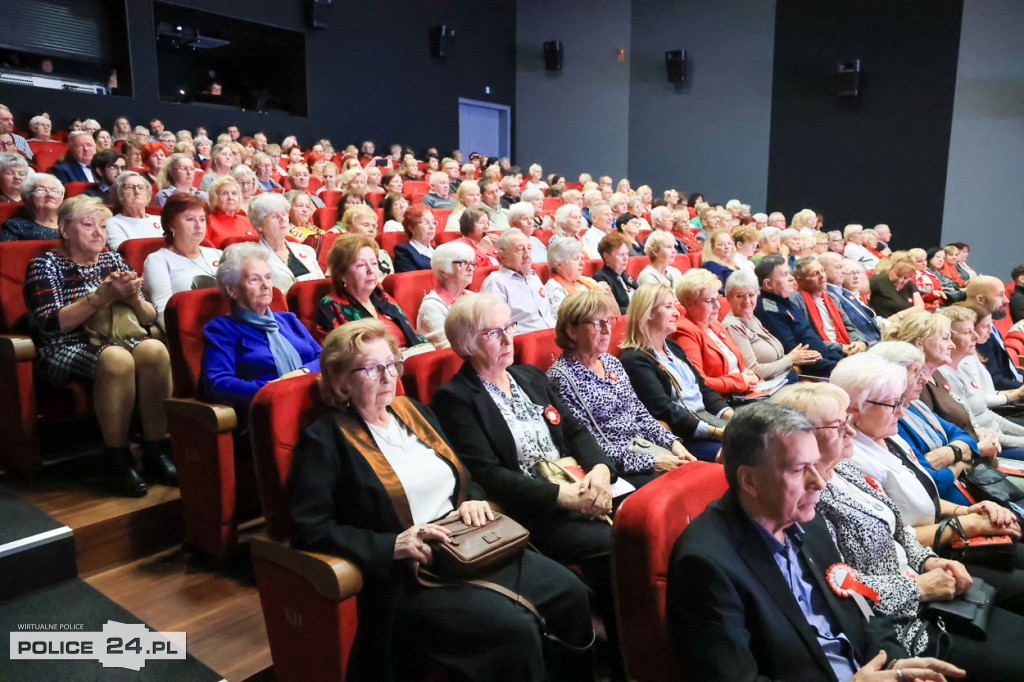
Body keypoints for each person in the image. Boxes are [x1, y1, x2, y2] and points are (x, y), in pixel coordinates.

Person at [290, 319, 593, 681]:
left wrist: (472, 499)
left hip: (469, 545)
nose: (388, 376)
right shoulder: (324, 440)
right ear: (341, 380)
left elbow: (462, 473)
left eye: (391, 364)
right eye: (372, 369)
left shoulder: (413, 412)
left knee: (571, 592)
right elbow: (309, 528)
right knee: (513, 629)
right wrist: (393, 544)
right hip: (416, 573)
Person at [666, 402, 957, 682]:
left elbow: (861, 608)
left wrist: (895, 663)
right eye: (798, 470)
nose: (818, 482)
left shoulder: (807, 519)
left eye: (815, 465)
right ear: (749, 481)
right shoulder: (704, 565)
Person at [772, 383, 1024, 676]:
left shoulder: (844, 469)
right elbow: (842, 588)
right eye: (838, 427)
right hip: (901, 626)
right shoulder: (807, 502)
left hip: (929, 584)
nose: (851, 431)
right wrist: (920, 587)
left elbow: (899, 529)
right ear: (804, 438)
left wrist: (929, 561)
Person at [433, 294, 618, 647]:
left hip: (580, 485)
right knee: (618, 543)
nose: (507, 340)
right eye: (492, 333)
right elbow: (487, 474)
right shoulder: (456, 397)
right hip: (536, 510)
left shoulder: (529, 376)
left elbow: (576, 431)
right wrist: (562, 498)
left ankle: (633, 631)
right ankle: (622, 642)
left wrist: (599, 470)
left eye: (509, 328)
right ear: (468, 343)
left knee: (644, 521)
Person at [24, 195, 174, 497]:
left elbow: (146, 317)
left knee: (155, 350)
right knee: (117, 359)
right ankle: (116, 458)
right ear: (65, 229)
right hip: (65, 345)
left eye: (103, 226)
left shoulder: (111, 259)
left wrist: (132, 298)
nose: (98, 232)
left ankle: (155, 450)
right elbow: (52, 325)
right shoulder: (44, 263)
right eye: (88, 224)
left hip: (118, 336)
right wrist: (100, 297)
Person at [546, 291, 694, 487]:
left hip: (645, 448)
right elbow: (588, 444)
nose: (607, 330)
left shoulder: (611, 362)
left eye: (609, 321)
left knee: (694, 473)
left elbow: (640, 413)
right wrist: (652, 462)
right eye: (597, 324)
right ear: (571, 331)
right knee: (677, 491)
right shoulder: (561, 378)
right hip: (615, 468)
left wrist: (673, 443)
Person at [201, 242, 319, 420]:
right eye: (254, 279)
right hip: (266, 416)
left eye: (268, 277)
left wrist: (301, 374)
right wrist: (273, 390)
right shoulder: (221, 329)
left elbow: (325, 358)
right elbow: (219, 383)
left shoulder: (288, 320)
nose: (266, 285)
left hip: (314, 403)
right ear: (232, 290)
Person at [619, 283, 732, 461]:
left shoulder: (672, 346)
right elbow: (665, 410)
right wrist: (717, 432)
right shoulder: (634, 359)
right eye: (668, 306)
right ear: (647, 313)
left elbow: (702, 389)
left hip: (707, 420)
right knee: (744, 452)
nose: (677, 313)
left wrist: (733, 418)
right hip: (685, 434)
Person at [938, 304, 1024, 456]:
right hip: (988, 446)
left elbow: (988, 416)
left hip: (998, 436)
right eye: (967, 332)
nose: (975, 337)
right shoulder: (946, 375)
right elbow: (976, 430)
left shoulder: (962, 365)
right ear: (948, 338)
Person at [317, 233, 426, 349]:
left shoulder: (383, 297)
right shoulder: (331, 305)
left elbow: (414, 336)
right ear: (342, 274)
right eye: (361, 265)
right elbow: (339, 356)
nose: (371, 270)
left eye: (374, 263)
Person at [722, 268, 821, 383]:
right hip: (769, 388)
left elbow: (776, 359)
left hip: (785, 378)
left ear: (757, 294)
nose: (747, 301)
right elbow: (754, 370)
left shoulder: (751, 317)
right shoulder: (733, 326)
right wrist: (789, 359)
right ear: (728, 298)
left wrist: (797, 357)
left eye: (751, 295)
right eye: (740, 296)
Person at [674, 268, 761, 396]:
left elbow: (737, 363)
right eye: (710, 301)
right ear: (689, 303)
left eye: (717, 298)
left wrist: (750, 376)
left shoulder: (714, 324)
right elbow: (699, 382)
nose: (718, 306)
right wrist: (740, 381)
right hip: (721, 401)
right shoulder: (684, 331)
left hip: (742, 393)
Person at [143, 192, 222, 329]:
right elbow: (164, 312)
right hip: (191, 331)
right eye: (190, 219)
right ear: (172, 225)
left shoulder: (217, 254)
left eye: (202, 219)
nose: (198, 225)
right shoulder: (158, 260)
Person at [754, 255, 843, 376]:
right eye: (785, 275)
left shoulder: (784, 300)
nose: (791, 278)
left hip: (828, 361)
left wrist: (842, 361)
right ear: (768, 284)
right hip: (818, 372)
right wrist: (838, 367)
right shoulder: (769, 311)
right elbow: (797, 355)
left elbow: (812, 340)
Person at [790, 256, 869, 356]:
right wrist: (840, 347)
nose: (822, 275)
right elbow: (805, 339)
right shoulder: (795, 300)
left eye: (822, 270)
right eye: (815, 273)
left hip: (846, 348)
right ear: (800, 280)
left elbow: (850, 327)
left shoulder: (832, 298)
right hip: (823, 353)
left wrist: (860, 342)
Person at [480, 230, 554, 333]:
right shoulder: (496, 282)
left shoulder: (533, 276)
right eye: (520, 249)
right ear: (502, 256)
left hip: (554, 337)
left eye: (529, 248)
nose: (527, 254)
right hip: (525, 343)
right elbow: (495, 326)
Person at [249, 192, 322, 293]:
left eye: (284, 214)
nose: (283, 219)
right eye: (275, 216)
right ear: (259, 225)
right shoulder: (253, 258)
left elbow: (322, 285)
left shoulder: (307, 251)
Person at [966, 275, 1024, 390]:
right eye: (1000, 295)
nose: (1006, 300)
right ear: (980, 300)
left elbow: (1005, 371)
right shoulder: (977, 333)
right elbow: (996, 382)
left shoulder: (991, 326)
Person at [416, 242, 476, 349]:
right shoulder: (431, 306)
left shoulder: (473, 297)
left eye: (472, 263)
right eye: (463, 263)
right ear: (443, 271)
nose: (471, 268)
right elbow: (447, 347)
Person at [103, 171, 163, 250]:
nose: (137, 191)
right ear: (119, 194)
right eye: (130, 187)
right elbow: (124, 253)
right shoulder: (113, 223)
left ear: (147, 195)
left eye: (141, 187)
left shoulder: (160, 220)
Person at [0, 173, 62, 241]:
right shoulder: (15, 227)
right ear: (27, 198)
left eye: (55, 191)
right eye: (41, 190)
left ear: (62, 199)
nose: (50, 195)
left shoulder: (72, 223)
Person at [339, 204, 393, 280]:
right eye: (365, 225)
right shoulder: (341, 254)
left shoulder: (383, 254)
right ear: (349, 229)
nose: (371, 230)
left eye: (373, 226)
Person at [592, 232, 638, 315]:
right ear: (606, 256)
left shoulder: (627, 277)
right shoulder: (601, 278)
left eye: (627, 254)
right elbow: (611, 310)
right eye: (621, 255)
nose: (625, 259)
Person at [204, 176, 256, 248]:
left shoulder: (246, 221)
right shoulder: (207, 222)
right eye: (225, 193)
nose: (230, 197)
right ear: (215, 198)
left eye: (234, 193)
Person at [392, 204, 436, 273]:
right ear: (411, 228)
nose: (432, 227)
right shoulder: (404, 252)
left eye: (433, 222)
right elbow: (411, 281)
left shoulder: (439, 250)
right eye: (426, 222)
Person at [700, 229, 736, 293]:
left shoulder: (734, 263)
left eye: (729, 243)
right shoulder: (710, 265)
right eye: (722, 244)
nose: (727, 246)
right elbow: (720, 289)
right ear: (712, 247)